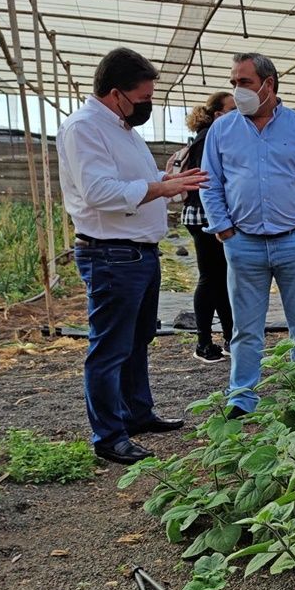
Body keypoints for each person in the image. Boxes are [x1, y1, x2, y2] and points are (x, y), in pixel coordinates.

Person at [56, 47, 208, 464]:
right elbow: (99, 193)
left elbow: (133, 180)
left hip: (139, 253)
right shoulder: (84, 128)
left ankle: (137, 414)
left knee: (138, 340)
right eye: (142, 98)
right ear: (115, 92)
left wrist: (166, 179)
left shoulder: (122, 128)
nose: (147, 105)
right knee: (109, 348)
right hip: (111, 255)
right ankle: (109, 436)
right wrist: (160, 189)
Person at [201, 53, 295, 419]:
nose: (236, 89)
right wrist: (224, 227)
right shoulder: (223, 130)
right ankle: (242, 397)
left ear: (268, 85)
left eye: (243, 82)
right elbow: (210, 183)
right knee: (245, 330)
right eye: (233, 82)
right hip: (243, 244)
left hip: (294, 241)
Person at [180, 91, 236, 363]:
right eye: (232, 109)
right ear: (218, 115)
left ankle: (229, 336)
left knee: (220, 278)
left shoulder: (206, 137)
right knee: (211, 278)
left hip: (204, 215)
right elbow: (209, 184)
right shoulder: (209, 139)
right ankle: (203, 342)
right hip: (205, 216)